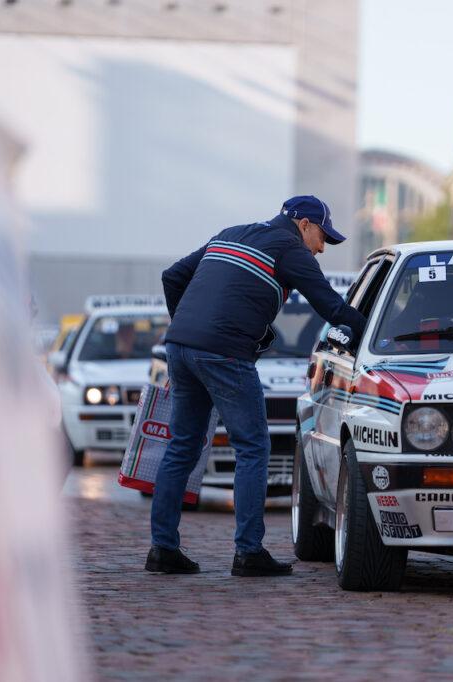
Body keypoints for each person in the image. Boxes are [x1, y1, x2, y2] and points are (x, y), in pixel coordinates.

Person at [147, 196, 367, 576]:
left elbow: (172, 276)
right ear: (303, 225)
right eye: (322, 238)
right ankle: (248, 552)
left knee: (182, 446)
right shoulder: (289, 249)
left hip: (180, 348)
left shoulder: (231, 234)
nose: (320, 249)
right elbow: (331, 306)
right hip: (225, 352)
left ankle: (162, 549)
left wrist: (186, 325)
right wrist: (372, 334)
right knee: (253, 446)